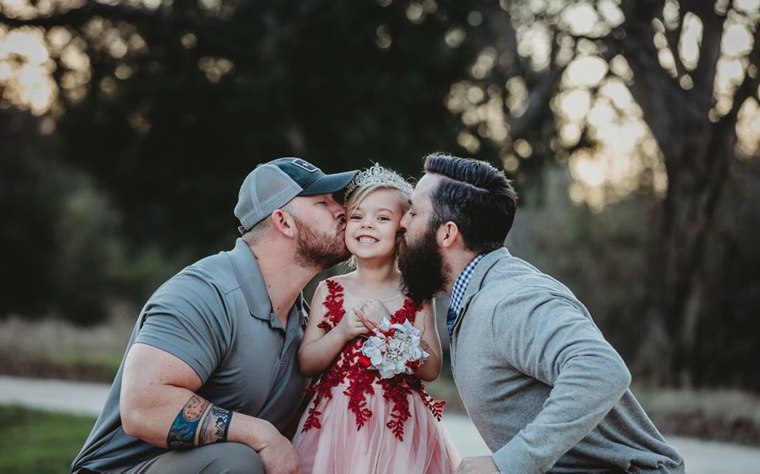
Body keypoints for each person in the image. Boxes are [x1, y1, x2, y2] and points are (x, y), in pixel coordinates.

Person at [397, 153, 685, 474]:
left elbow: (601, 368)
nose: (401, 223)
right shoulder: (477, 296)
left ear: (447, 233)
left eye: (413, 212)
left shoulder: (511, 298)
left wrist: (507, 464)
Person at [70, 157, 358, 474]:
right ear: (283, 222)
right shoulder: (202, 293)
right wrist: (260, 434)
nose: (341, 210)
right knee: (238, 462)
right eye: (322, 202)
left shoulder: (308, 324)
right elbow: (143, 407)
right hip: (120, 469)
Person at [291, 163, 459, 474]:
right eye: (357, 216)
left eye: (381, 218)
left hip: (401, 426)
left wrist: (389, 329)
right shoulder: (330, 290)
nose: (366, 225)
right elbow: (306, 362)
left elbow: (432, 367)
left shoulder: (416, 292)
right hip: (337, 424)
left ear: (402, 231)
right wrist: (341, 332)